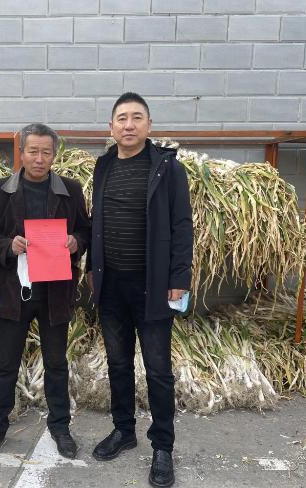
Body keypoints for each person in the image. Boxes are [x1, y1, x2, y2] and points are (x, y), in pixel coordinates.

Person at [86, 93, 193, 487]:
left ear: (149, 125)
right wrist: (92, 269)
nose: (128, 125)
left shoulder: (167, 167)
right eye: (121, 118)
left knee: (158, 370)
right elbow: (97, 222)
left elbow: (182, 225)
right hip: (111, 284)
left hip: (152, 286)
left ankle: (162, 446)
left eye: (136, 118)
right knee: (118, 363)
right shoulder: (103, 166)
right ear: (111, 127)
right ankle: (124, 430)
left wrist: (179, 278)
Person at [0, 123, 91, 460]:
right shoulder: (1, 191)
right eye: (33, 151)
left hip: (55, 292)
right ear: (21, 153)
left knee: (56, 363)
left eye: (46, 152)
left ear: (54, 155)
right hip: (16, 291)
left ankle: (60, 427)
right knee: (6, 365)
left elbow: (86, 230)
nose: (39, 158)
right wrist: (8, 246)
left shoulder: (70, 190)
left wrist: (76, 242)